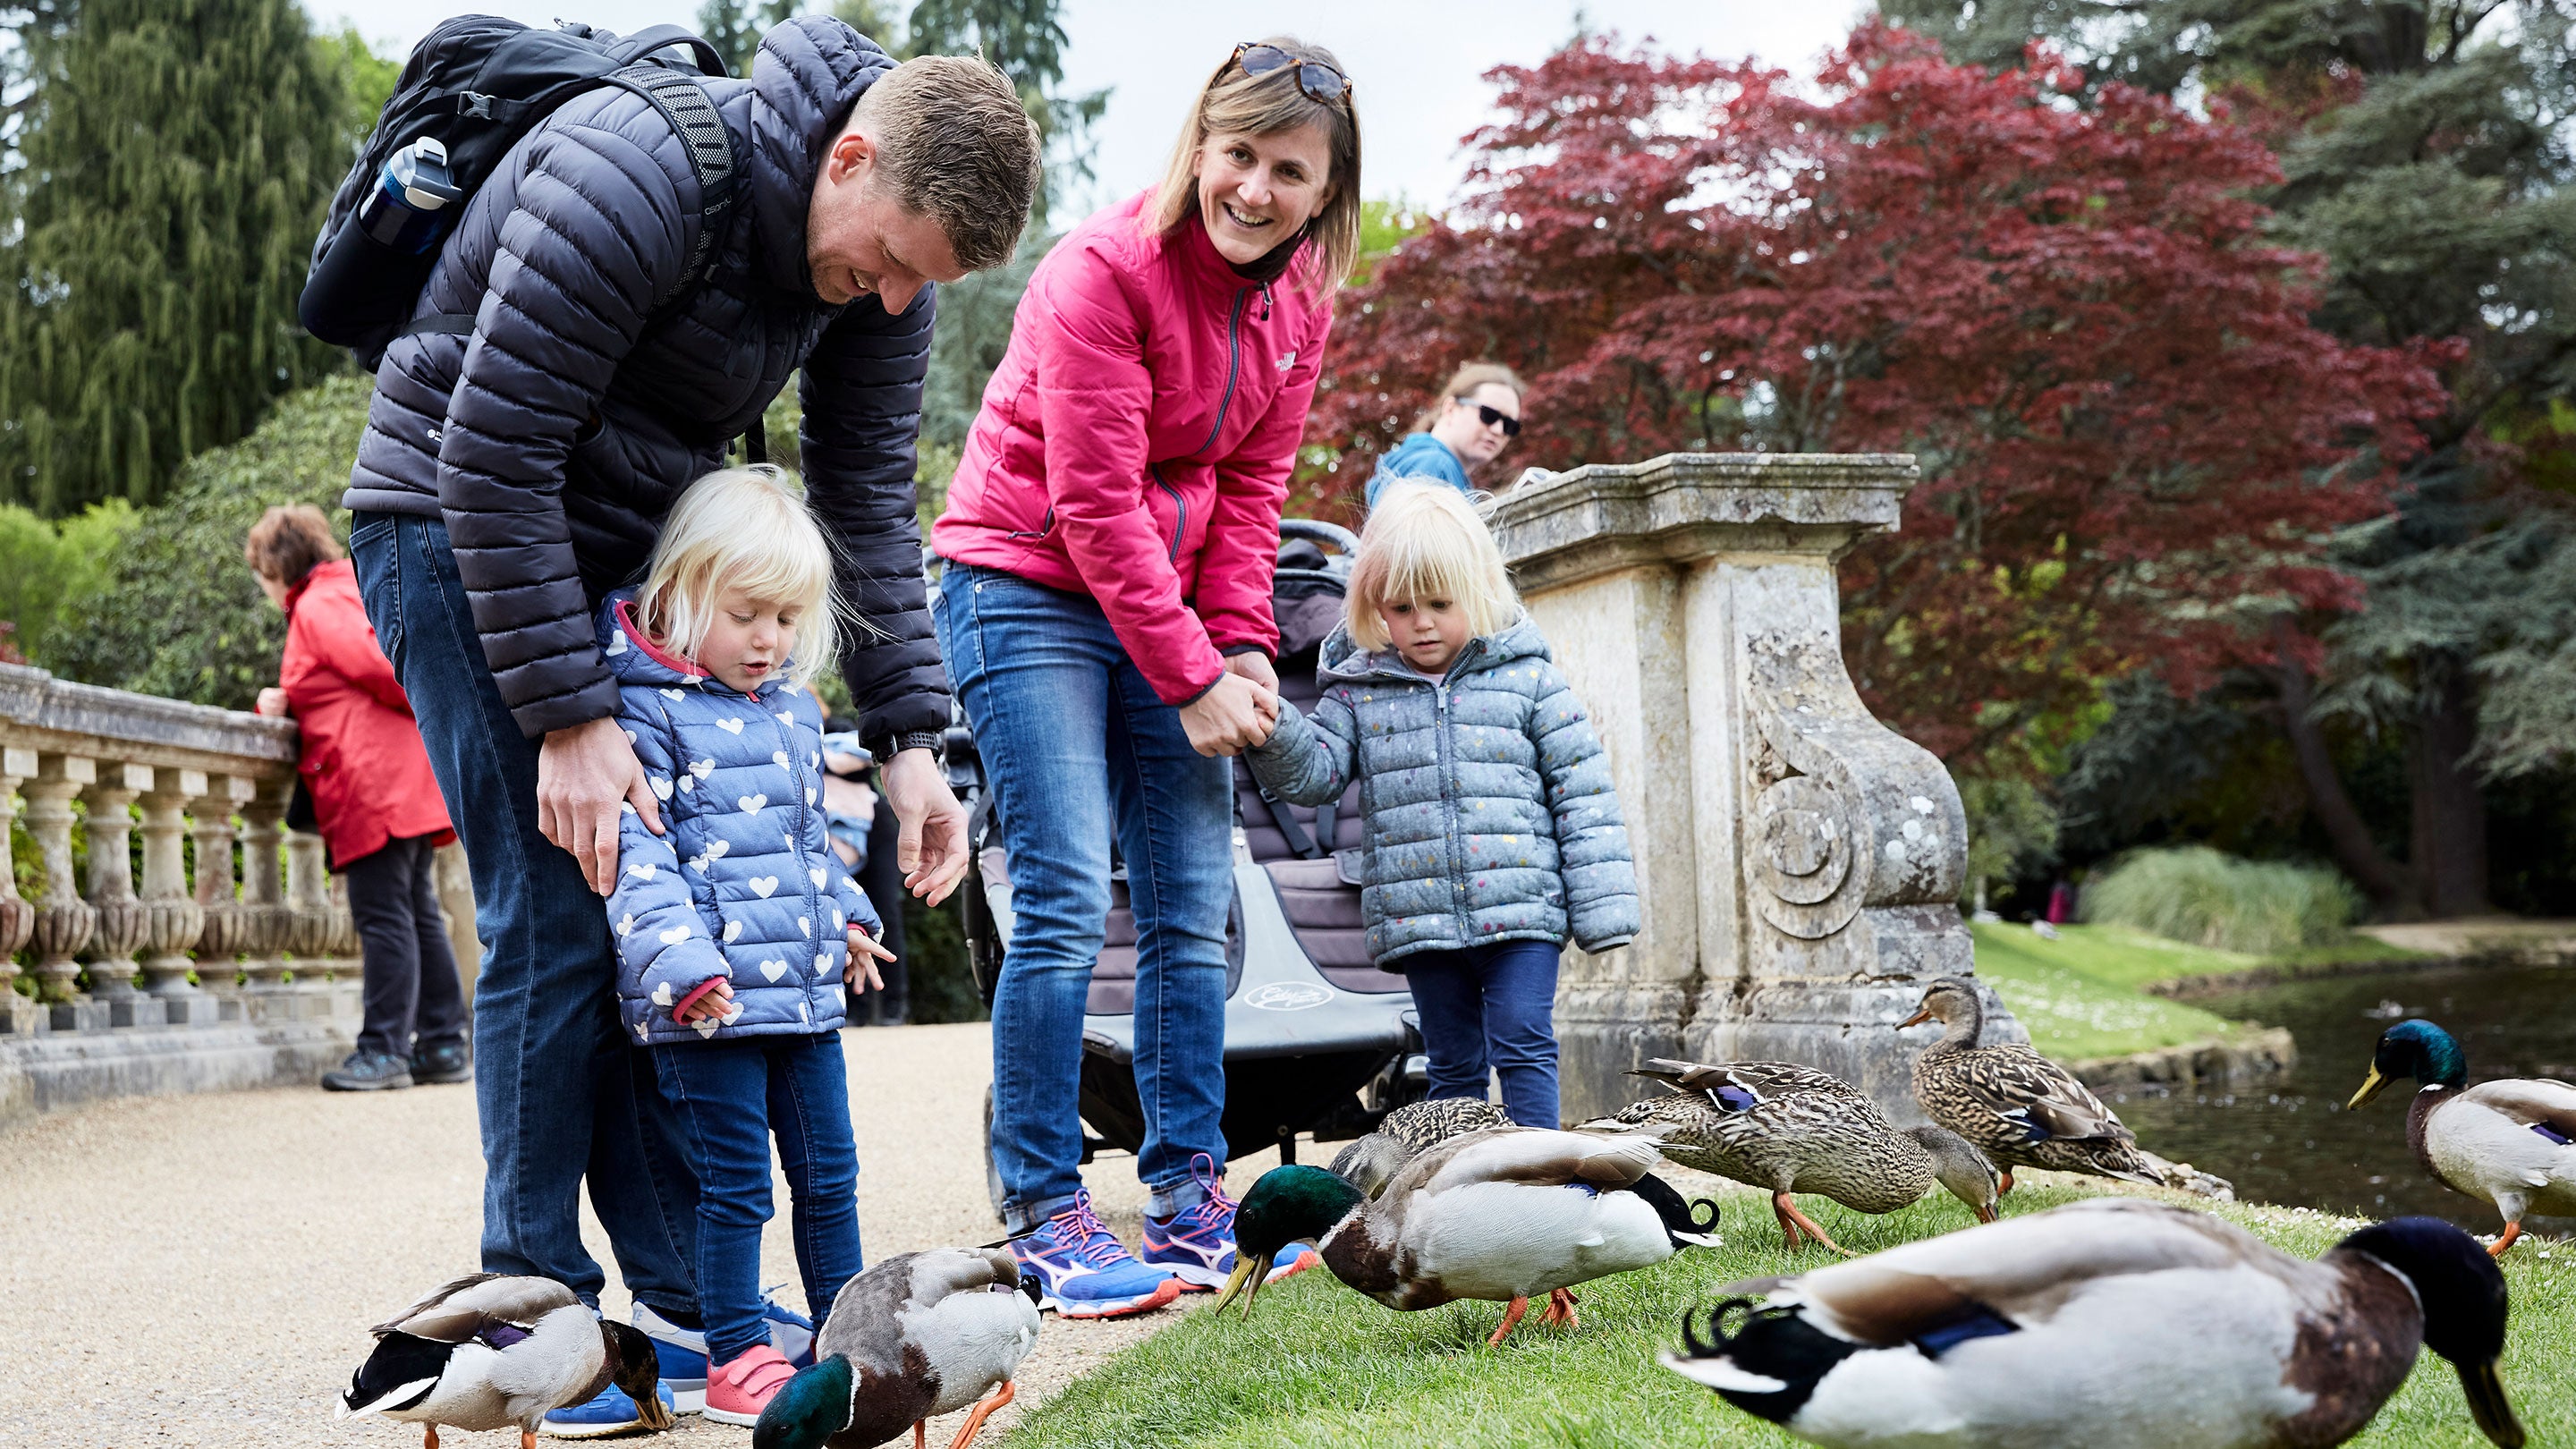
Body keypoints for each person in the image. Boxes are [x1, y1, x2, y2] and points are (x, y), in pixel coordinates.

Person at [337, 17, 1038, 1429]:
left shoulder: (883, 271)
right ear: (852, 157)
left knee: (661, 934)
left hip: (626, 565)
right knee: (556, 909)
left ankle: (672, 1300)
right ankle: (534, 1316)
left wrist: (908, 741)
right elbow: (492, 451)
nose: (895, 299)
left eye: (926, 284)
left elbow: (863, 504)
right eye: (891, 261)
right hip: (453, 529)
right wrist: (566, 715)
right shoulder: (640, 169)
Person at [929, 37, 1361, 1318]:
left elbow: (1250, 492)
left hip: (1158, 601)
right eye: (1239, 155)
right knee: (1066, 894)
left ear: (1326, 190)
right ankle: (1043, 1208)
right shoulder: (1101, 273)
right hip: (1022, 580)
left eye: (1290, 170)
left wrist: (1241, 646)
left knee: (1190, 902)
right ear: (1198, 149)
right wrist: (1192, 674)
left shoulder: (1300, 304)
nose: (1255, 190)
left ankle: (1187, 1192)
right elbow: (1095, 505)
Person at [601, 466, 895, 1426]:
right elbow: (638, 855)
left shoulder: (793, 711)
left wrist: (849, 920)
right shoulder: (645, 710)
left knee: (831, 1175)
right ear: (683, 592)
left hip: (803, 1000)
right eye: (746, 616)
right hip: (710, 1007)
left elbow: (809, 846)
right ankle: (734, 1353)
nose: (768, 640)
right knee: (735, 1187)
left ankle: (846, 1338)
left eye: (786, 619)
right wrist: (683, 970)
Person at [1243, 484, 1639, 1129]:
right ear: (1375, 606)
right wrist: (1276, 726)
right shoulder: (1359, 691)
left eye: (1439, 604)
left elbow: (1583, 792)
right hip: (1419, 917)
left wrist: (1602, 907)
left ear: (1475, 593)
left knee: (1523, 1042)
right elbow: (1316, 778)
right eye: (1401, 608)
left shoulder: (1529, 680)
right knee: (1452, 1063)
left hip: (1521, 912)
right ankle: (1463, 1177)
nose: (1421, 622)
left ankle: (1539, 1169)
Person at [247, 505, 467, 1094]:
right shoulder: (344, 591)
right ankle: (443, 1043)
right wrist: (284, 701)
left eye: (261, 576)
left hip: (373, 786)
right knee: (415, 910)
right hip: (398, 780)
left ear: (275, 568)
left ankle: (383, 1051)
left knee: (385, 916)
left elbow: (390, 670)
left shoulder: (319, 605)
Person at [1360, 361, 1527, 508]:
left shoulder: (1437, 468)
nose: (1498, 430)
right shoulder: (1434, 467)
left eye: (1510, 425)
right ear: (1451, 409)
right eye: (1489, 415)